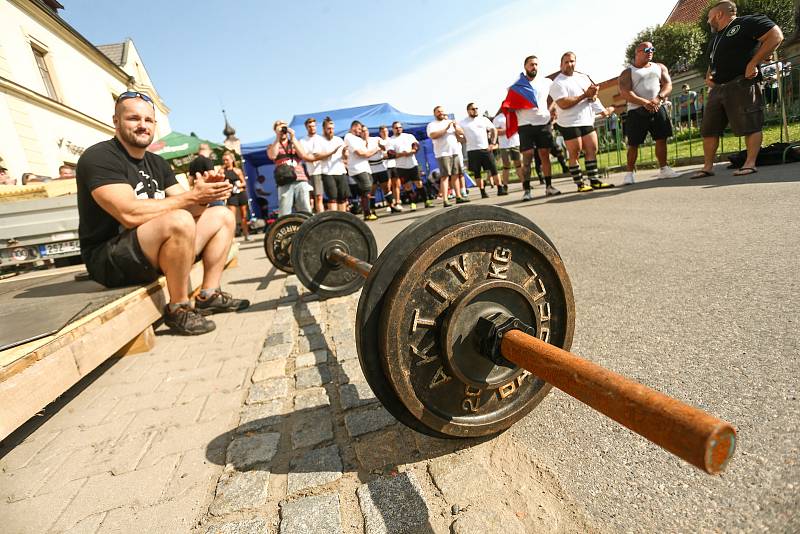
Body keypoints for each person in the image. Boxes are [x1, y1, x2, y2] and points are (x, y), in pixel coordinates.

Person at [76, 91, 249, 336]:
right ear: (116, 121)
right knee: (178, 220)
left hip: (152, 250)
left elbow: (191, 207)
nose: (142, 125)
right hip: (110, 259)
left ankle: (209, 294)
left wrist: (206, 194)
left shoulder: (156, 163)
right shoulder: (99, 157)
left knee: (222, 215)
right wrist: (191, 197)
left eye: (148, 120)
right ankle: (178, 307)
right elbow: (129, 214)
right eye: (133, 118)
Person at [692, 1, 783, 178]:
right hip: (718, 88)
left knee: (750, 124)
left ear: (719, 14)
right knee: (709, 129)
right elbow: (713, 62)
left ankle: (750, 164)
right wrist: (710, 77)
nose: (708, 21)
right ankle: (707, 167)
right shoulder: (716, 38)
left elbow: (775, 35)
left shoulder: (746, 22)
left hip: (742, 83)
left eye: (709, 17)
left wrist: (754, 62)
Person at [549, 52, 614, 192]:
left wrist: (601, 110)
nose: (569, 64)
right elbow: (563, 104)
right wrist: (585, 95)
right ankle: (580, 184)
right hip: (569, 122)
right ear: (561, 65)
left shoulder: (583, 77)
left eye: (572, 61)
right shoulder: (557, 83)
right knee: (575, 153)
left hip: (586, 119)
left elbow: (592, 97)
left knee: (592, 148)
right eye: (566, 62)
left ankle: (594, 180)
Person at [618, 42, 680, 185]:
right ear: (637, 52)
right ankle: (629, 173)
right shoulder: (628, 72)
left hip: (658, 107)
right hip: (636, 111)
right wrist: (644, 102)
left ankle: (664, 169)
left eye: (652, 49)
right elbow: (625, 92)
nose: (650, 51)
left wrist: (658, 98)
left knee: (661, 138)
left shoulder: (659, 67)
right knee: (633, 143)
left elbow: (667, 84)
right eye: (646, 49)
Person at [511, 55, 562, 199]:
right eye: (531, 65)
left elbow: (558, 97)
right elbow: (509, 106)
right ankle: (527, 190)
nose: (534, 67)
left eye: (536, 65)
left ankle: (549, 187)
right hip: (525, 125)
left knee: (545, 155)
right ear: (525, 67)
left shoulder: (546, 82)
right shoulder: (517, 86)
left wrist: (552, 109)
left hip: (543, 123)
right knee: (527, 158)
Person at [267, 120, 314, 215]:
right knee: (284, 210)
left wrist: (293, 137)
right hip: (284, 180)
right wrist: (277, 137)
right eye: (280, 127)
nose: (283, 130)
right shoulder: (272, 145)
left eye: (284, 127)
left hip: (300, 178)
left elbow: (302, 155)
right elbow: (272, 156)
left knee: (305, 208)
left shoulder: (294, 142)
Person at [427, 106, 469, 207]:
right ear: (435, 114)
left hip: (455, 152)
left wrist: (455, 127)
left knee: (456, 175)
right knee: (445, 176)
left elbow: (462, 133)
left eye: (442, 111)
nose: (441, 113)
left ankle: (458, 196)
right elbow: (433, 135)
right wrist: (446, 128)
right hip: (443, 154)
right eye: (438, 112)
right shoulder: (432, 125)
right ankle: (445, 199)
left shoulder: (450, 122)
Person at [460, 103, 499, 198]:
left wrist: (493, 143)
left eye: (476, 108)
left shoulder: (483, 119)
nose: (475, 110)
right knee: (477, 172)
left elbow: (494, 130)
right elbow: (459, 134)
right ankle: (482, 191)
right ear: (468, 110)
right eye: (473, 109)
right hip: (472, 151)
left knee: (494, 169)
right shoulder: (463, 122)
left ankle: (500, 187)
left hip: (485, 148)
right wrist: (461, 139)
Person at [344, 121, 381, 221]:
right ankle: (367, 214)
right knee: (366, 190)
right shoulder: (349, 137)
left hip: (365, 167)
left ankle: (368, 211)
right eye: (359, 129)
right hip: (357, 169)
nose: (360, 131)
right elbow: (361, 153)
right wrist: (376, 149)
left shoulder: (358, 139)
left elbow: (366, 152)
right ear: (354, 127)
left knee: (367, 190)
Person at [391, 121, 431, 210]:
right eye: (396, 128)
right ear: (393, 129)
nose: (398, 129)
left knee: (419, 183)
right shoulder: (391, 140)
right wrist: (402, 154)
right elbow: (390, 154)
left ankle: (426, 201)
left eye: (400, 127)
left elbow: (416, 146)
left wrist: (412, 151)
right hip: (401, 167)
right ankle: (412, 203)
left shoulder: (409, 136)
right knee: (407, 186)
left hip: (413, 164)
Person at [317, 117, 349, 211]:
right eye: (328, 128)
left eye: (332, 128)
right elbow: (318, 156)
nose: (331, 130)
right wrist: (332, 152)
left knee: (342, 198)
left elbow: (345, 157)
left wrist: (344, 153)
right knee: (332, 198)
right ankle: (335, 221)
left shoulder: (339, 139)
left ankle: (343, 219)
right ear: (324, 129)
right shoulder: (319, 140)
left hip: (340, 171)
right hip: (327, 172)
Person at [221, 151, 251, 241]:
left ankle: (246, 234)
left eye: (227, 160)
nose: (225, 162)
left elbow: (244, 183)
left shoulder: (237, 170)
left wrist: (238, 185)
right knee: (231, 217)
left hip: (240, 193)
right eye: (224, 160)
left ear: (232, 160)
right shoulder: (222, 171)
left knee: (244, 216)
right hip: (231, 195)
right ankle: (231, 237)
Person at [370, 125, 400, 213]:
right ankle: (389, 204)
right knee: (387, 186)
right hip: (384, 166)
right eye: (383, 131)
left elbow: (394, 153)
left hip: (394, 164)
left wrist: (392, 154)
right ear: (380, 133)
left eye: (386, 131)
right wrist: (386, 155)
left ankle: (397, 202)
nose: (385, 133)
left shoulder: (391, 140)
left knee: (397, 185)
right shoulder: (378, 141)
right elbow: (382, 153)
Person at [299, 117, 326, 213]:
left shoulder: (322, 138)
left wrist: (317, 156)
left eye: (313, 126)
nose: (312, 128)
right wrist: (317, 156)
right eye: (310, 126)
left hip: (327, 170)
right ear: (306, 127)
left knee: (332, 196)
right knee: (318, 197)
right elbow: (305, 156)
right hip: (314, 172)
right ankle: (321, 217)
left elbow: (325, 153)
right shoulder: (302, 141)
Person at [491, 110, 518, 196]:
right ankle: (505, 185)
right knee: (506, 166)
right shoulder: (498, 118)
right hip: (504, 145)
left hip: (515, 143)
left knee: (519, 164)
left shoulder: (515, 114)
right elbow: (495, 131)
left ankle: (525, 184)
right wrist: (508, 130)